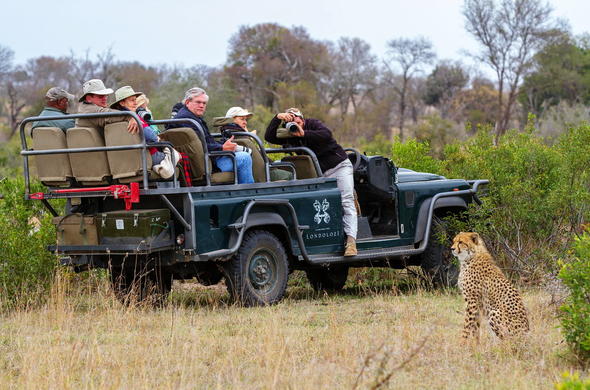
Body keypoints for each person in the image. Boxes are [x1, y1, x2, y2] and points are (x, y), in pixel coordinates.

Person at [265, 108, 358, 256]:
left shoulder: (313, 124)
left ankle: (351, 242)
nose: (296, 124)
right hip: (319, 174)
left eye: (298, 121)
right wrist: (277, 118)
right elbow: (269, 137)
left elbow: (326, 134)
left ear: (303, 119)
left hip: (339, 167)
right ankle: (330, 241)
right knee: (325, 206)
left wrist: (304, 133)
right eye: (291, 122)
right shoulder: (289, 134)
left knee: (346, 201)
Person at [168, 88, 255, 184]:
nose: (201, 106)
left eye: (204, 103)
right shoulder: (189, 121)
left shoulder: (183, 118)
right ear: (188, 102)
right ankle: (250, 194)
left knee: (241, 153)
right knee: (245, 157)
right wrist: (222, 147)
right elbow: (202, 145)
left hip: (197, 163)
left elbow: (203, 142)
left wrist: (221, 145)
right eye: (198, 102)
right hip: (208, 162)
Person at [110, 86, 180, 179]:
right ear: (122, 103)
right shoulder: (133, 118)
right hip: (148, 156)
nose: (135, 103)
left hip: (126, 160)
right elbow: (152, 137)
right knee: (179, 157)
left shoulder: (113, 118)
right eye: (132, 100)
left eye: (135, 100)